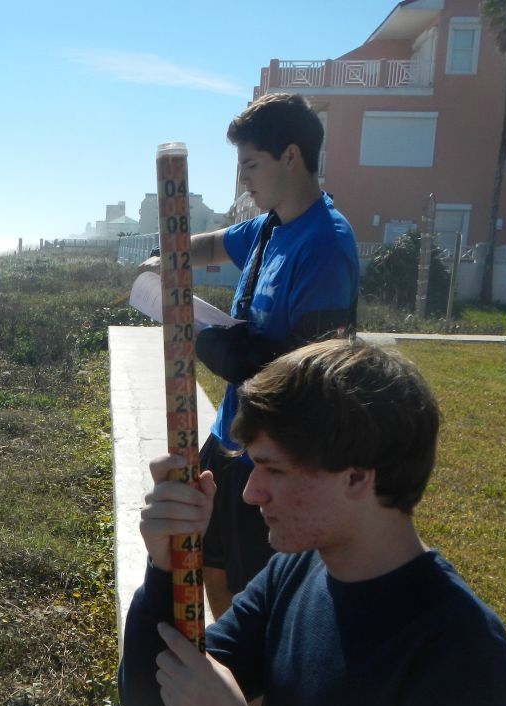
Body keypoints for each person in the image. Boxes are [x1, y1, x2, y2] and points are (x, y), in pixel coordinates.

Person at [118, 339, 506, 706]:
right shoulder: (295, 576)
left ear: (358, 477)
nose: (252, 492)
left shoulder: (461, 652)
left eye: (272, 469)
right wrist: (165, 569)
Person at [145, 92, 359, 621]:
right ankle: (233, 673)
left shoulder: (325, 243)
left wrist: (232, 352)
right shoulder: (270, 226)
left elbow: (315, 367)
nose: (242, 179)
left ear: (291, 156)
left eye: (250, 164)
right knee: (210, 565)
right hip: (230, 434)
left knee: (255, 591)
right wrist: (164, 256)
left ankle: (253, 695)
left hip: (273, 451)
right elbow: (213, 244)